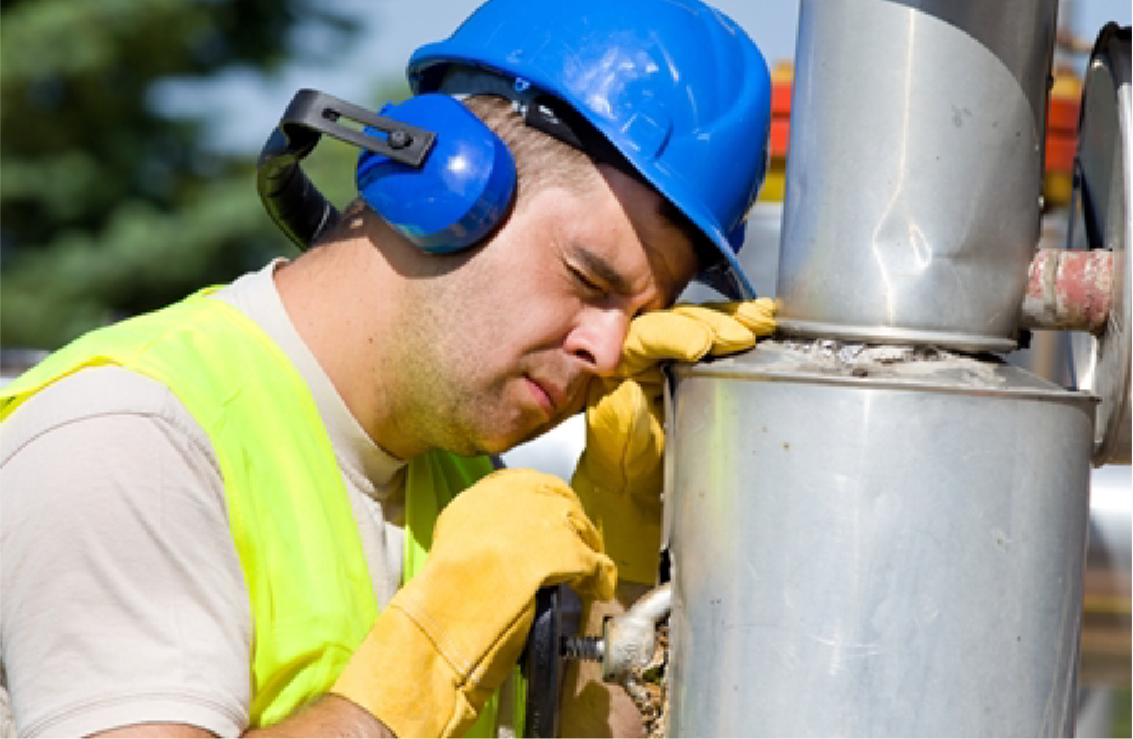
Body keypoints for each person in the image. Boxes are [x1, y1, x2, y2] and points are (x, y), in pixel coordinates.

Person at [0, 0, 776, 736]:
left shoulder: (464, 483)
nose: (608, 352)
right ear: (441, 184)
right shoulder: (131, 437)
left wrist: (625, 549)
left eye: (640, 316)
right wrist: (427, 661)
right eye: (587, 280)